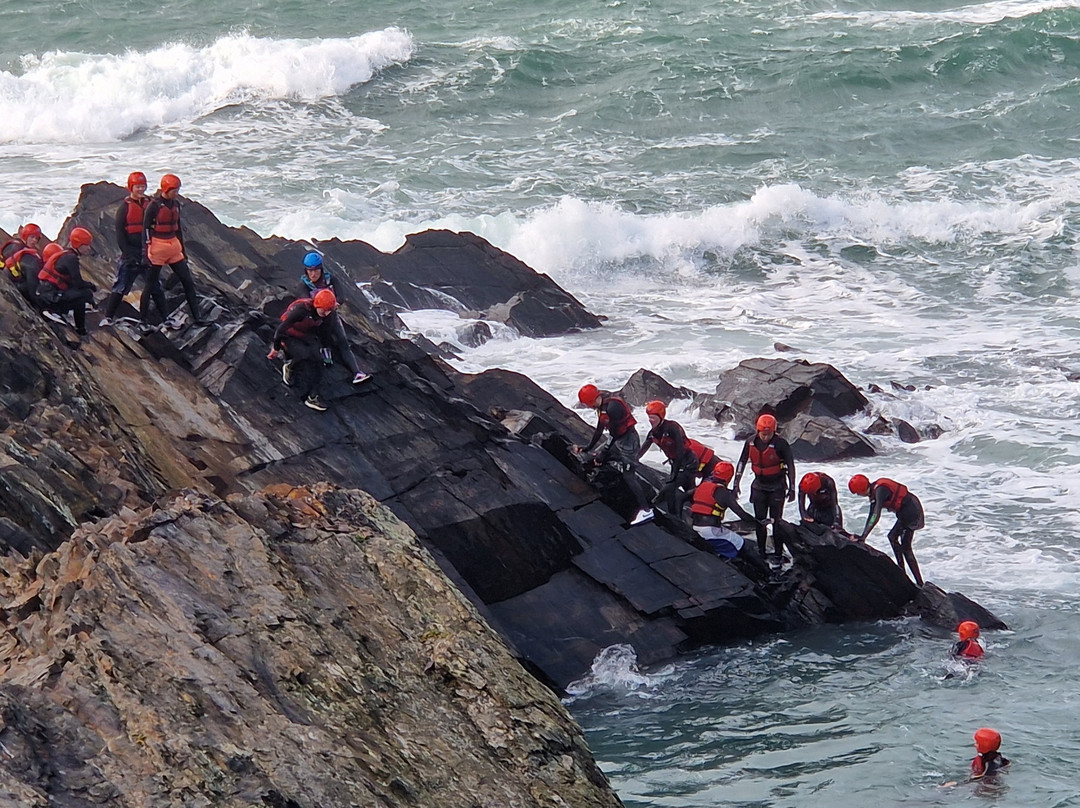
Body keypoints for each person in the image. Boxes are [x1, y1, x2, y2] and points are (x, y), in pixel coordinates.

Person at [268, 289, 367, 411]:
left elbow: (324, 335)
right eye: (323, 310)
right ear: (317, 305)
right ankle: (289, 366)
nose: (325, 313)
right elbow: (280, 330)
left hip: (305, 335)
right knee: (305, 354)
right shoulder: (301, 310)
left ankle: (312, 397)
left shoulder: (327, 315)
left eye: (328, 310)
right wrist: (276, 349)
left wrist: (326, 353)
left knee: (319, 361)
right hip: (289, 334)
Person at [574, 384, 653, 525]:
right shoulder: (601, 408)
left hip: (629, 442)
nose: (589, 407)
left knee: (628, 475)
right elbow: (600, 429)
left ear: (593, 400)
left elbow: (614, 433)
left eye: (588, 404)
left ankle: (647, 511)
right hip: (617, 440)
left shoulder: (613, 407)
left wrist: (603, 453)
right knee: (593, 459)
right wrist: (588, 447)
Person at [101, 171, 167, 326]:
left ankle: (166, 318)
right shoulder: (124, 208)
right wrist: (128, 254)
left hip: (148, 253)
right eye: (137, 187)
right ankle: (108, 317)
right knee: (121, 286)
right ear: (131, 187)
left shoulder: (150, 204)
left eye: (143, 186)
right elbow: (120, 234)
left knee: (155, 286)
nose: (140, 190)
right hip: (131, 253)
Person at [296, 251, 369, 384]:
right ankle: (325, 349)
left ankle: (357, 372)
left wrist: (334, 304)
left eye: (316, 270)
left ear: (321, 269)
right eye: (310, 271)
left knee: (342, 341)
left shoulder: (331, 280)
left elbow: (341, 296)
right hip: (314, 319)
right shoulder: (303, 284)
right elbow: (304, 300)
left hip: (331, 314)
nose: (313, 274)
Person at [733, 413, 796, 565]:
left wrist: (792, 487)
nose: (765, 437)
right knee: (760, 521)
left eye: (769, 434)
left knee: (776, 522)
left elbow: (790, 465)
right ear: (758, 430)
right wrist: (736, 484)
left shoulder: (781, 444)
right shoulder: (750, 442)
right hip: (759, 486)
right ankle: (761, 551)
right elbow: (742, 462)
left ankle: (778, 553)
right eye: (763, 433)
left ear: (774, 431)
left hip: (777, 486)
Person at [142, 173, 204, 325]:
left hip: (174, 246)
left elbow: (178, 229)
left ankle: (197, 317)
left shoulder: (176, 205)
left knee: (187, 282)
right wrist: (146, 253)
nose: (176, 193)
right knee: (150, 284)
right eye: (174, 190)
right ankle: (142, 320)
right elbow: (145, 229)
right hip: (158, 247)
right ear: (166, 189)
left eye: (178, 190)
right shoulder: (154, 205)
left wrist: (183, 250)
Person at [848, 474, 925, 586]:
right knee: (893, 537)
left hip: (912, 511)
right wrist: (863, 535)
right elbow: (871, 516)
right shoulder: (874, 492)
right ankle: (902, 571)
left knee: (905, 546)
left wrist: (864, 537)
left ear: (861, 490)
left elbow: (876, 514)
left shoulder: (880, 490)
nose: (858, 495)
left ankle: (919, 582)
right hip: (904, 512)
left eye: (857, 493)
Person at [637, 400, 698, 517]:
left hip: (688, 463)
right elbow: (644, 448)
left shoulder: (672, 427)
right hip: (676, 464)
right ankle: (686, 514)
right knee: (688, 490)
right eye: (649, 417)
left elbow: (680, 450)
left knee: (669, 488)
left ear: (661, 416)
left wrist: (675, 473)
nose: (650, 420)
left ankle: (671, 515)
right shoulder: (653, 433)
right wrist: (634, 460)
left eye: (653, 417)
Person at [690, 461, 760, 558]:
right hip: (710, 532)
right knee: (741, 543)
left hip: (695, 526)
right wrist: (758, 522)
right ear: (728, 478)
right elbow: (741, 513)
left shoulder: (702, 486)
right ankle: (769, 572)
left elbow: (681, 497)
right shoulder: (724, 492)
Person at [36, 227, 96, 336]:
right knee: (86, 294)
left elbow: (73, 284)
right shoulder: (71, 259)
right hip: (50, 296)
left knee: (80, 299)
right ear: (78, 245)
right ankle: (53, 311)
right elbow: (78, 284)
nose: (89, 248)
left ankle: (81, 330)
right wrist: (91, 286)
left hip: (47, 293)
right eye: (86, 245)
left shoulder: (67, 256)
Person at [2, 224, 45, 300]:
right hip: (5, 277)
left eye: (36, 238)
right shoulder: (16, 246)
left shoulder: (24, 249)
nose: (34, 241)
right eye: (32, 237)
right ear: (25, 236)